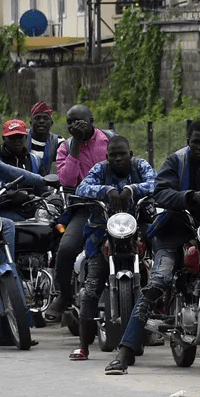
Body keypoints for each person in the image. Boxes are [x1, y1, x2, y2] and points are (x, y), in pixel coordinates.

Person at [105, 120, 200, 374]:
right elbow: (160, 192)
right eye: (196, 142)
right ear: (188, 142)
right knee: (158, 281)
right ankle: (125, 352)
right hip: (176, 230)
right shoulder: (176, 161)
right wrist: (189, 197)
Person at [68, 136, 156, 361]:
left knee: (160, 273)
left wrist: (131, 189)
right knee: (91, 289)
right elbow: (83, 186)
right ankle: (83, 346)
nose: (117, 158)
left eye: (122, 154)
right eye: (113, 155)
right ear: (107, 157)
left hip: (137, 230)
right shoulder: (100, 169)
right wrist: (106, 190)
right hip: (101, 234)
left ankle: (161, 321)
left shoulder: (141, 166)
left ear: (130, 154)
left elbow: (156, 182)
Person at [47, 104, 112, 324]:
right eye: (69, 122)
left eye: (79, 120)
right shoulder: (65, 147)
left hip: (115, 206)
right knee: (65, 249)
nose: (74, 125)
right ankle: (64, 295)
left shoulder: (109, 140)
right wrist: (75, 145)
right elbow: (66, 180)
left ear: (92, 121)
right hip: (85, 207)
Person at [28, 101, 63, 175]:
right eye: (37, 118)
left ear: (51, 123)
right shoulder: (22, 138)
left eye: (45, 118)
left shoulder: (58, 142)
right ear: (31, 123)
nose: (41, 121)